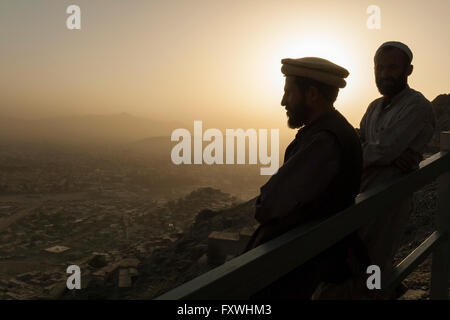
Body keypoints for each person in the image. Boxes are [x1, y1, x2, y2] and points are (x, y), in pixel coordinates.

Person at [313, 41, 436, 300]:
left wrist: (383, 155)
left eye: (392, 67)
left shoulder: (417, 106)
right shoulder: (373, 107)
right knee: (355, 259)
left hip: (390, 200)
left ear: (408, 70)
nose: (384, 73)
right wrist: (384, 154)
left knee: (375, 263)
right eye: (379, 67)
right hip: (362, 194)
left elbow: (383, 150)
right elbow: (366, 145)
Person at [243, 57, 368, 299]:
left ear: (311, 94)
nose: (283, 101)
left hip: (302, 264)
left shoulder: (324, 140)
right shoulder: (333, 129)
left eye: (289, 93)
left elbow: (268, 206)